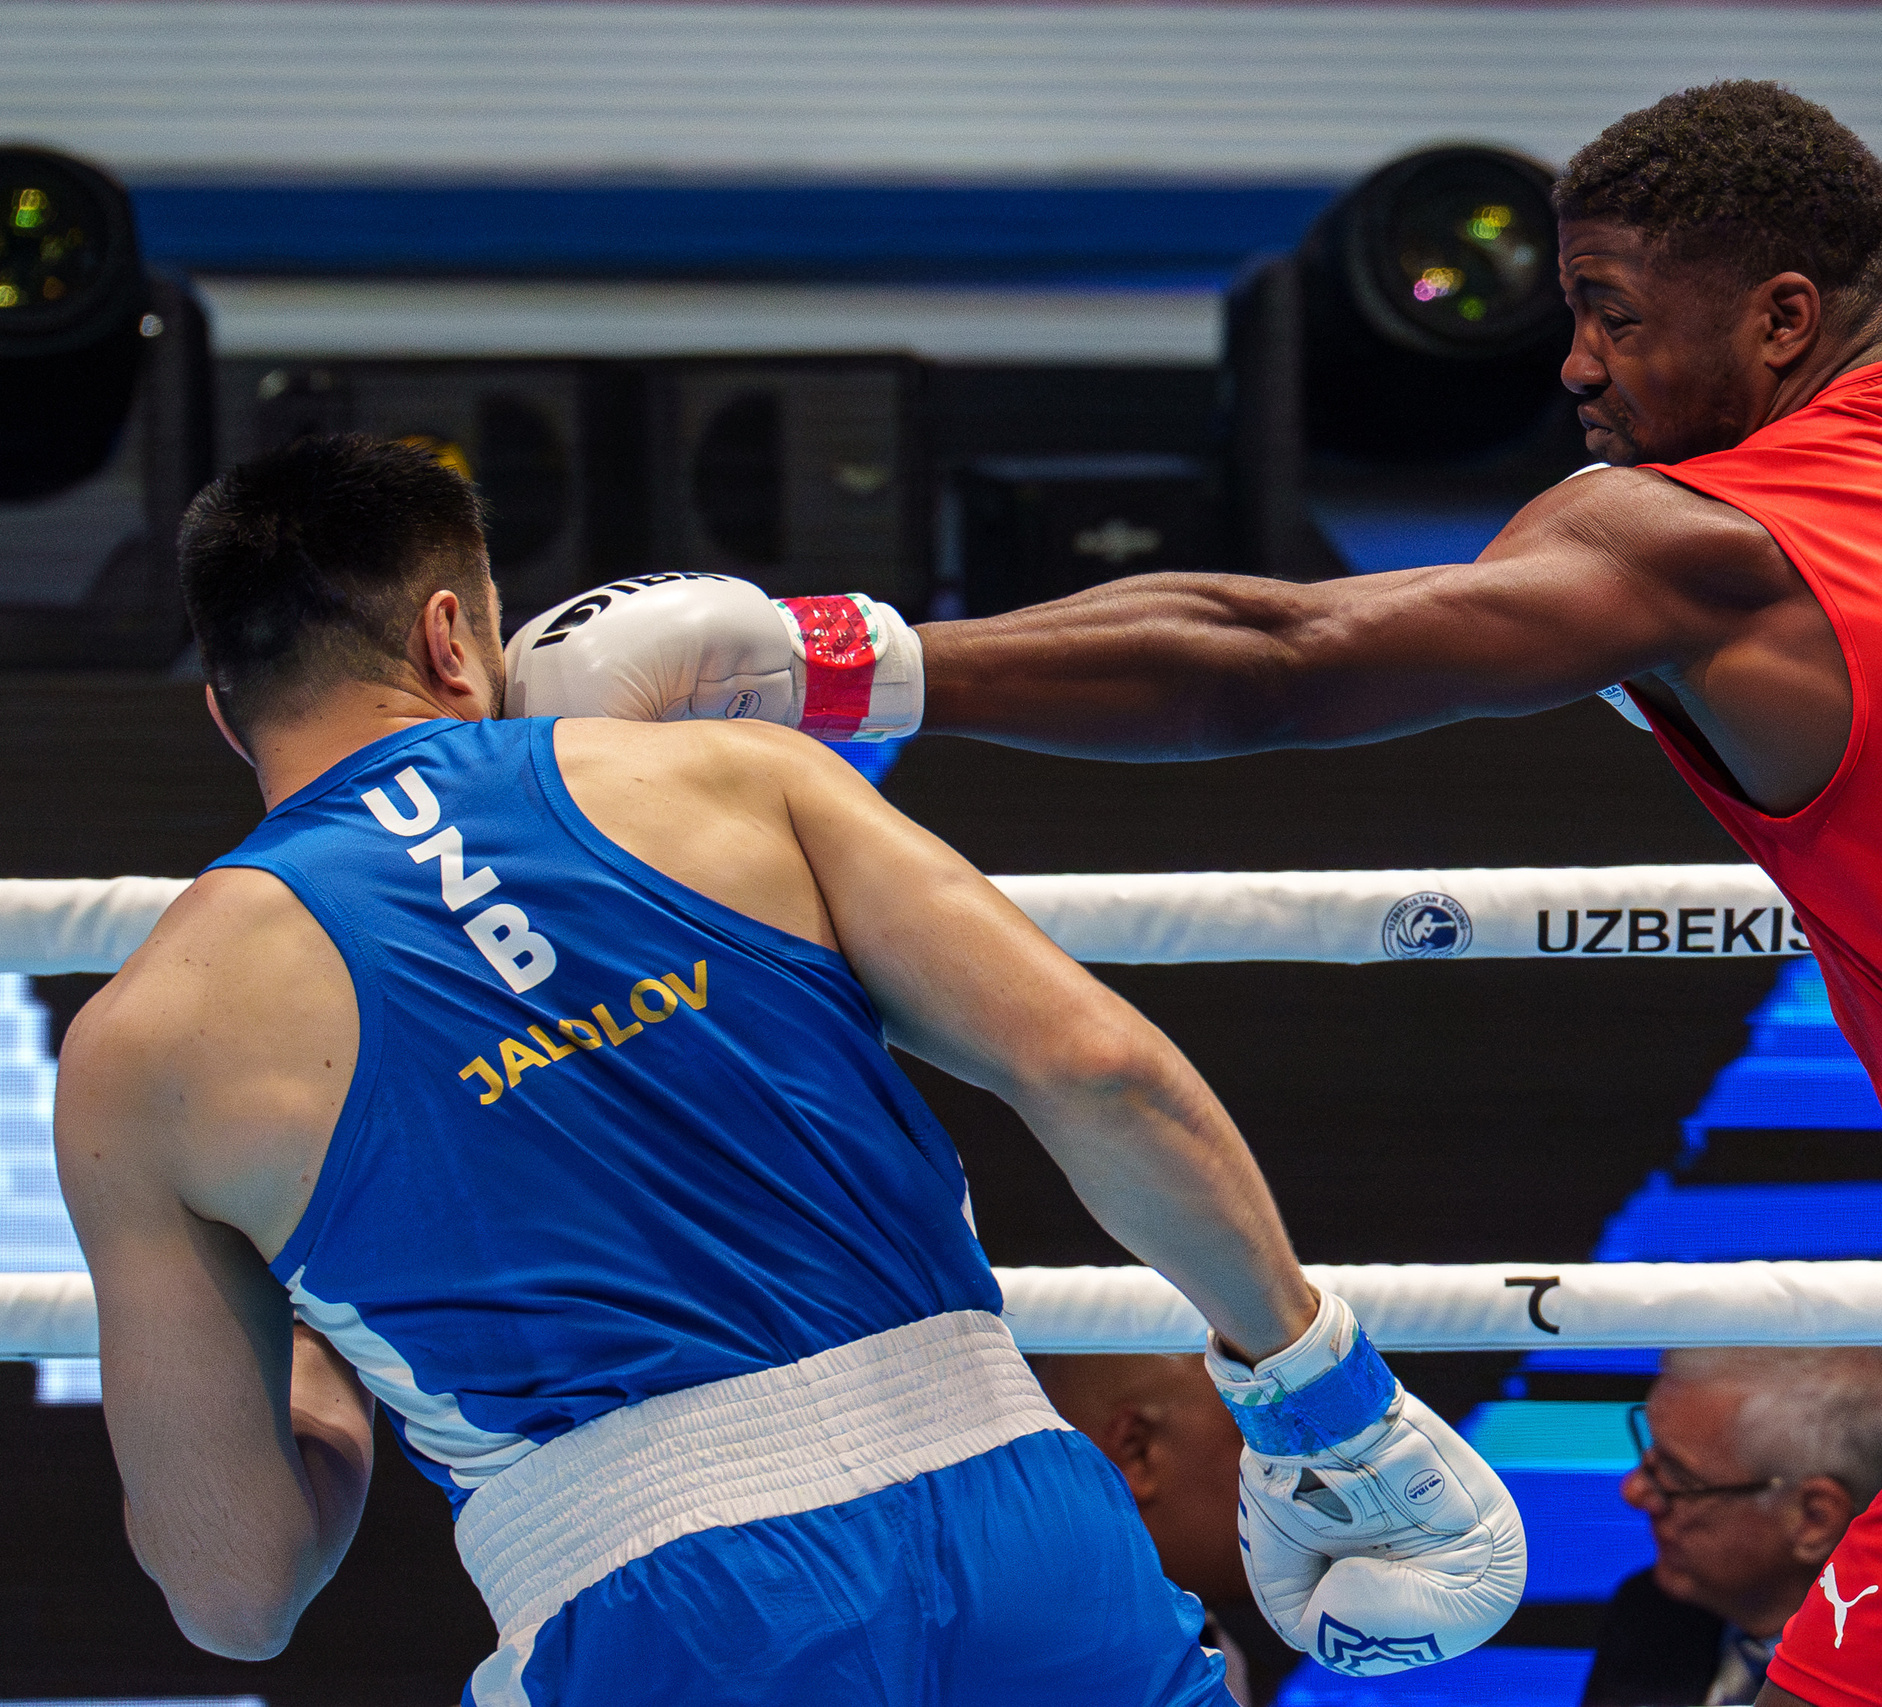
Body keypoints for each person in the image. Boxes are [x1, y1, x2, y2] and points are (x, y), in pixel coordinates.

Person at [515, 80, 1882, 1707]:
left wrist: (832, 659)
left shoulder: (1716, 549)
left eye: (1613, 310)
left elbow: (1271, 654)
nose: (1574, 364)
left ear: (1780, 322)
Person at [52, 435, 1522, 1707]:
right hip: (1027, 1524)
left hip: (660, 1609)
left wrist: (317, 1343)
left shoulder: (146, 1041)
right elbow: (1096, 1068)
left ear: (226, 711)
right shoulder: (732, 775)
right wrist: (1327, 1394)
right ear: (455, 641)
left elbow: (234, 1588)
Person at [1585, 1349, 1882, 1707]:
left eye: (1677, 1475)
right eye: (1652, 1454)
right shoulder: (1650, 1619)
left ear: (1814, 1519)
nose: (1633, 1491)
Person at [1034, 1354, 1269, 1704]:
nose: (1288, 1473)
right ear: (1138, 1449)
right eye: (1253, 1438)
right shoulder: (1029, 1658)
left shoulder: (1207, 1644)